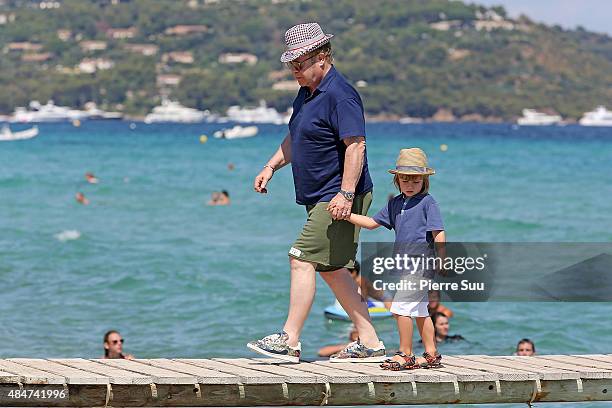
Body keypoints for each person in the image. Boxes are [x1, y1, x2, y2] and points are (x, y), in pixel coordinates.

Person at [248, 22, 384, 363]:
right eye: (291, 64)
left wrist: (346, 194)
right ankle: (370, 340)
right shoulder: (306, 93)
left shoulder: (341, 94)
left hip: (337, 195)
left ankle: (289, 340)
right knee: (331, 268)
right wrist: (270, 167)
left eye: (300, 62)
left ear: (322, 57)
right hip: (320, 196)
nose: (294, 69)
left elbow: (356, 146)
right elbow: (296, 137)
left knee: (301, 258)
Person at [346, 148, 444, 370]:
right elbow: (372, 224)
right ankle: (431, 354)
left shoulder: (428, 202)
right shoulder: (395, 204)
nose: (410, 185)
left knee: (399, 308)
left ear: (424, 180)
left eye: (415, 181)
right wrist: (346, 215)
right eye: (405, 180)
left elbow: (438, 231)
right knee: (419, 311)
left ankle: (405, 354)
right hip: (405, 265)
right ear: (397, 180)